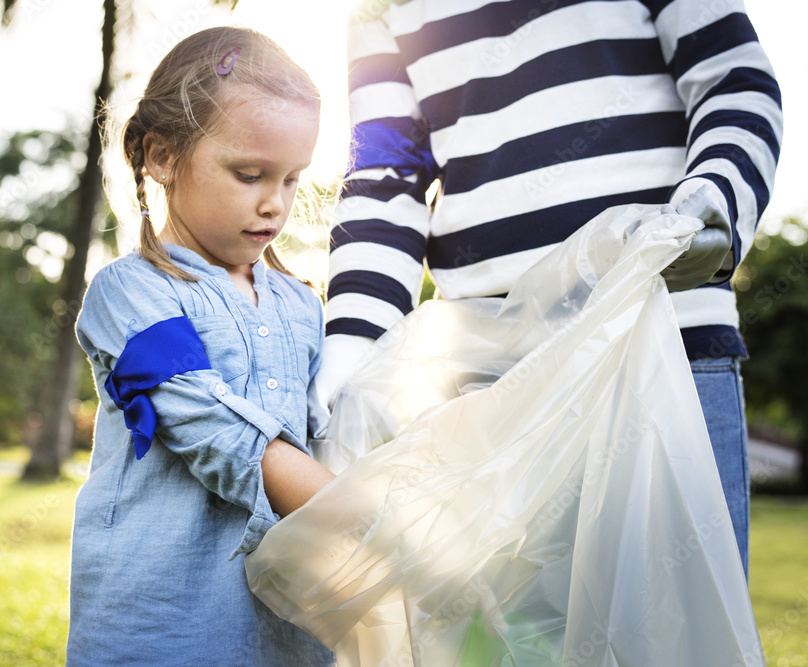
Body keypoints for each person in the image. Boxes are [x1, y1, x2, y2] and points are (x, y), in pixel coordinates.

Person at [318, 0, 783, 575]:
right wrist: (355, 340)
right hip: (491, 379)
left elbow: (733, 80)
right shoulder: (378, 9)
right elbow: (386, 179)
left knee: (680, 616)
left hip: (670, 340)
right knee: (508, 646)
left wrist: (718, 194)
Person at [66, 26, 335, 666]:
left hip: (286, 637)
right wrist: (356, 512)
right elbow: (205, 420)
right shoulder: (129, 293)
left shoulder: (305, 307)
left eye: (294, 179)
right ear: (160, 156)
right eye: (249, 174)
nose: (276, 204)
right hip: (158, 633)